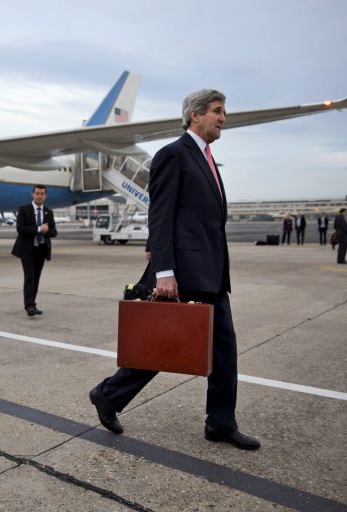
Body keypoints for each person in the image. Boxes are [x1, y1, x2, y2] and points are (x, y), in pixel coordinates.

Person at [89, 89, 260, 450]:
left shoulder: (208, 158)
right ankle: (107, 394)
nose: (222, 118)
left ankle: (220, 422)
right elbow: (161, 214)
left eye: (223, 112)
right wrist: (164, 270)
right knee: (161, 346)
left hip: (211, 272)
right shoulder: (173, 155)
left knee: (223, 350)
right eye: (216, 111)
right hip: (183, 272)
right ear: (194, 115)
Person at [12, 185, 57, 316]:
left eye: (42, 194)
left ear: (45, 196)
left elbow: (54, 232)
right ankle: (29, 306)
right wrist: (38, 229)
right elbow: (20, 229)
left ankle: (33, 303)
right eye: (37, 193)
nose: (39, 196)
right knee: (29, 277)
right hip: (27, 249)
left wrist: (47, 231)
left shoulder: (49, 212)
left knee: (36, 278)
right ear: (32, 194)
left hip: (41, 250)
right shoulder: (24, 209)